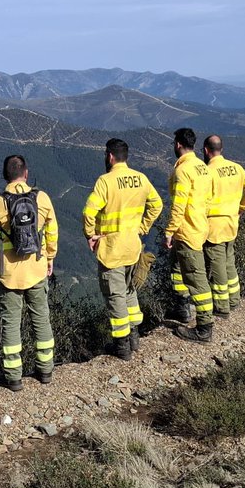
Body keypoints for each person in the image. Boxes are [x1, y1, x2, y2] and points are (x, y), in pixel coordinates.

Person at [0, 154, 58, 391]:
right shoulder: (41, 198)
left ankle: (14, 377)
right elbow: (52, 230)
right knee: (41, 317)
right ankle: (45, 370)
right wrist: (50, 257)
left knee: (11, 323)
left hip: (9, 273)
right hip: (36, 266)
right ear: (26, 173)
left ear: (5, 176)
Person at [82, 138, 164, 360]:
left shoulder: (105, 181)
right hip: (133, 247)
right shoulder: (140, 178)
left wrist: (90, 235)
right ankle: (134, 337)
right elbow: (157, 204)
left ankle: (122, 345)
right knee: (129, 291)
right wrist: (143, 227)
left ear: (109, 156)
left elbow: (88, 212)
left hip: (112, 249)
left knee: (115, 295)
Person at [166, 128, 216, 343]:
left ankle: (204, 328)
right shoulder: (202, 168)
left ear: (178, 144)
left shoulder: (183, 171)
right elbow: (210, 197)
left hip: (187, 231)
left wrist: (169, 231)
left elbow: (178, 205)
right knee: (177, 269)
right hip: (198, 227)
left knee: (196, 279)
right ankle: (182, 309)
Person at [202, 135, 245, 317]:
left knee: (217, 264)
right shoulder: (236, 168)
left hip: (214, 225)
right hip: (231, 223)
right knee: (229, 262)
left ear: (205, 150)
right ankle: (234, 300)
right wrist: (241, 207)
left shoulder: (207, 172)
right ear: (221, 149)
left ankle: (222, 306)